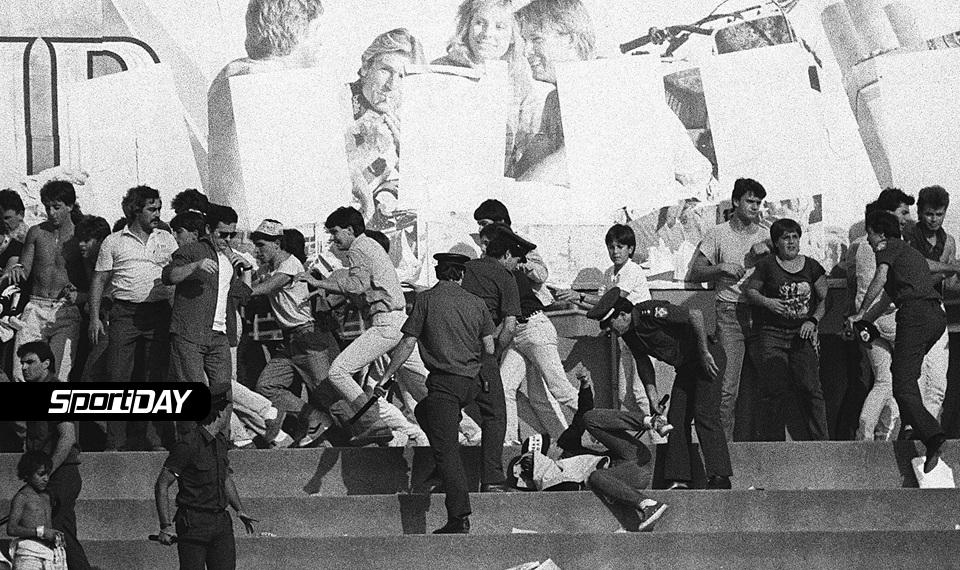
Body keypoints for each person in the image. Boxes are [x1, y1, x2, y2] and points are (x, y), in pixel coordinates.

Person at [513, 0, 713, 195]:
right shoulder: (555, 100)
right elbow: (531, 164)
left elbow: (566, 165)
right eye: (525, 41)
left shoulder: (604, 84)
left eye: (536, 40)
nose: (526, 51)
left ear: (570, 39)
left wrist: (509, 200)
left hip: (686, 200)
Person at [380, 253, 496, 534]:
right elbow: (490, 348)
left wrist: (386, 376)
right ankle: (444, 465)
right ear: (461, 275)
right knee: (423, 410)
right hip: (471, 383)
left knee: (447, 453)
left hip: (444, 383)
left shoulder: (426, 300)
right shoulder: (477, 302)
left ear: (438, 272)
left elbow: (408, 342)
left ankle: (459, 517)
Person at [587, 288, 733, 490]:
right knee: (676, 418)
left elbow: (695, 315)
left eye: (611, 325)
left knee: (704, 414)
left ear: (622, 315)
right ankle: (680, 479)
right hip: (686, 367)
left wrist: (704, 352)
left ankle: (720, 476)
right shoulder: (629, 333)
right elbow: (643, 362)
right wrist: (652, 398)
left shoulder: (650, 312)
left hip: (707, 357)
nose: (611, 332)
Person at [306, 207, 428, 446]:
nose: (333, 239)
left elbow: (357, 285)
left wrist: (317, 282)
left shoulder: (358, 248)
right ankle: (470, 431)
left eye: (335, 232)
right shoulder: (370, 245)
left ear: (350, 230)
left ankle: (373, 423)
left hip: (386, 324)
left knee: (338, 372)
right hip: (398, 323)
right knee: (421, 386)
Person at [848, 210, 952, 473]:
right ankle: (911, 426)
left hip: (915, 315)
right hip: (935, 317)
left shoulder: (887, 246)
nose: (869, 241)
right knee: (906, 375)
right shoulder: (908, 254)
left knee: (902, 383)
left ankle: (931, 435)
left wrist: (860, 311)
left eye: (870, 234)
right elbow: (885, 299)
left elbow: (880, 277)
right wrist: (864, 320)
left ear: (881, 234)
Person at [208, 0, 325, 228]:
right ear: (292, 32)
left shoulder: (235, 73)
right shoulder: (264, 82)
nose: (321, 42)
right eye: (316, 31)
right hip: (261, 232)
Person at [245, 219, 351, 447]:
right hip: (290, 341)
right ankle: (316, 418)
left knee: (326, 393)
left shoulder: (290, 265)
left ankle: (363, 433)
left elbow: (260, 289)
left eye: (261, 245)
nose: (257, 251)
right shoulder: (269, 268)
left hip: (307, 336)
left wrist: (235, 286)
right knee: (266, 387)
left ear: (277, 243)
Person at [90, 185, 178, 451]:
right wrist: (94, 317)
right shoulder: (113, 241)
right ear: (135, 210)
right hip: (124, 314)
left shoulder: (166, 238)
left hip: (159, 313)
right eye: (152, 209)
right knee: (117, 377)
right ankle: (114, 442)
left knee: (156, 377)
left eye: (159, 208)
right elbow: (99, 280)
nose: (157, 214)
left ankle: (154, 439)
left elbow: (177, 276)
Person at [688, 178, 769, 441]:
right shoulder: (718, 233)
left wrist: (770, 249)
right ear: (735, 202)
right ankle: (723, 450)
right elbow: (695, 272)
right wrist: (720, 268)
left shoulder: (765, 235)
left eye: (758, 203)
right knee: (727, 389)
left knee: (767, 385)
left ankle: (761, 449)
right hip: (730, 312)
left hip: (762, 314)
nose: (755, 207)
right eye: (750, 201)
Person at [433, 0, 544, 176]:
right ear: (467, 26)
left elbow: (530, 140)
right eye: (479, 23)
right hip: (449, 175)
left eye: (500, 26)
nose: (487, 33)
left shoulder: (520, 80)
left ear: (513, 35)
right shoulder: (440, 70)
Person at [154, 386, 258, 570]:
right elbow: (162, 484)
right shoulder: (187, 445)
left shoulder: (220, 442)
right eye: (227, 411)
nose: (229, 416)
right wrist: (165, 525)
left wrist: (239, 509)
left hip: (221, 523)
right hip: (194, 523)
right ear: (219, 414)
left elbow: (225, 478)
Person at [744, 218, 829, 440]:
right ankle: (774, 446)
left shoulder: (811, 266)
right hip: (772, 333)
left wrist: (813, 321)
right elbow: (751, 292)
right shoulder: (767, 265)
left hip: (801, 334)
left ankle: (822, 444)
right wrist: (768, 302)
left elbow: (825, 299)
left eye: (795, 237)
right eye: (785, 238)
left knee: (811, 388)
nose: (791, 242)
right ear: (776, 243)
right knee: (774, 389)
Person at [164, 205, 252, 395]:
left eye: (232, 235)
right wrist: (196, 266)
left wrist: (247, 271)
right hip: (190, 334)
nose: (227, 239)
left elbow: (243, 295)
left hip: (219, 335)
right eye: (223, 234)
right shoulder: (192, 251)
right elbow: (169, 276)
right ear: (208, 229)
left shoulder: (229, 259)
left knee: (224, 393)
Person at [18, 341, 91, 569]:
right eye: (22, 363)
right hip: (47, 474)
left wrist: (47, 470)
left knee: (60, 531)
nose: (24, 367)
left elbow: (67, 437)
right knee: (60, 532)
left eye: (30, 362)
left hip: (61, 474)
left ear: (46, 363)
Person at [460, 223, 522, 486]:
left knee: (446, 408)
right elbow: (510, 327)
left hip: (454, 348)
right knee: (495, 414)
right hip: (482, 351)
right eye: (516, 259)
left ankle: (442, 471)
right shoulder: (505, 277)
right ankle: (492, 478)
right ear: (506, 254)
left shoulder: (467, 268)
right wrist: (494, 355)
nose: (517, 266)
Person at [10, 181, 87, 383]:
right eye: (47, 207)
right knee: (21, 372)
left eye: (56, 207)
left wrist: (80, 295)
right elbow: (25, 268)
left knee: (60, 373)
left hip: (65, 309)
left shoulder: (80, 236)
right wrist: (17, 270)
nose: (51, 212)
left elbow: (91, 275)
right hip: (35, 307)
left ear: (70, 206)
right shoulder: (36, 232)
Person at [578, 224, 652, 416]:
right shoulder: (609, 273)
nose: (615, 252)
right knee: (624, 395)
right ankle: (649, 429)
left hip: (643, 335)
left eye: (620, 247)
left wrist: (579, 296)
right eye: (611, 247)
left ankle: (661, 432)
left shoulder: (633, 270)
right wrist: (574, 299)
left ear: (630, 249)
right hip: (625, 337)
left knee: (640, 393)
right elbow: (599, 306)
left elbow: (612, 301)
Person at [6, 450, 67, 570]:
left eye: (48, 474)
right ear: (27, 474)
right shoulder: (22, 497)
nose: (46, 479)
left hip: (48, 553)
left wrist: (54, 536)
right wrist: (40, 532)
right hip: (28, 554)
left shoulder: (47, 497)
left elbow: (47, 525)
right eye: (41, 474)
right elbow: (11, 528)